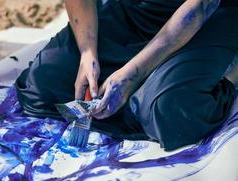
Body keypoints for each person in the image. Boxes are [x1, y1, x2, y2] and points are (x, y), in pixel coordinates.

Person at [15, 0, 238, 151]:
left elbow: (199, 7)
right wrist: (87, 52)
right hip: (136, 10)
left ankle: (231, 73)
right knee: (43, 83)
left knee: (170, 111)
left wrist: (132, 74)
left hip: (205, 17)